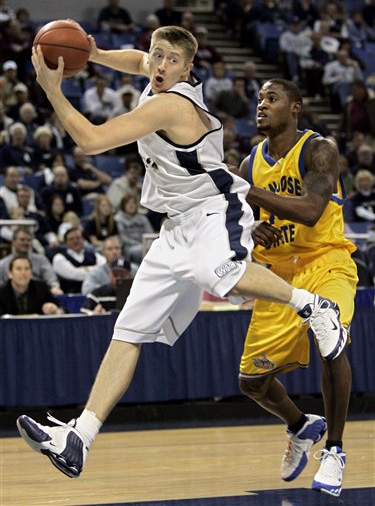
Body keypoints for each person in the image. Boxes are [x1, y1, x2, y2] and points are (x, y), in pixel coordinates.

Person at [17, 26, 348, 484]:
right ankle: (80, 438)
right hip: (174, 227)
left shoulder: (172, 104)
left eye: (171, 60)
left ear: (189, 68)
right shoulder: (157, 73)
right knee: (128, 330)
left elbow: (92, 141)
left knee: (218, 271)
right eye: (157, 56)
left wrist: (53, 90)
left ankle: (315, 307)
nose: (158, 65)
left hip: (213, 210)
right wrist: (94, 53)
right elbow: (136, 61)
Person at [234, 78, 357, 497]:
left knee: (330, 338)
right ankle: (301, 425)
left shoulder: (319, 150)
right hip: (279, 275)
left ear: (296, 108)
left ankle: (335, 451)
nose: (261, 105)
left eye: (272, 98)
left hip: (326, 260)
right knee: (252, 382)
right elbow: (232, 222)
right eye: (259, 98)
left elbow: (309, 210)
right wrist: (251, 228)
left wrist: (250, 193)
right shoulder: (251, 162)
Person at [0, 227, 63, 293]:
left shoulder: (41, 260)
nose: (25, 243)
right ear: (14, 241)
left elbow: (52, 279)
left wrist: (54, 287)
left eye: (28, 240)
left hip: (39, 295)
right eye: (22, 240)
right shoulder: (3, 263)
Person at [52, 227, 105, 293]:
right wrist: (95, 270)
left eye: (78, 238)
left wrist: (86, 269)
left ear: (83, 240)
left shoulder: (94, 254)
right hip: (71, 295)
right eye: (71, 239)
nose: (75, 241)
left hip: (95, 293)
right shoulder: (59, 258)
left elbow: (104, 268)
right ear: (65, 242)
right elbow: (74, 274)